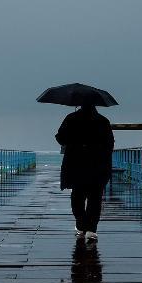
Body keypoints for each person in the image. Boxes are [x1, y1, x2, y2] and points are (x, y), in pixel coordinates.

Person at [55, 104, 114, 242]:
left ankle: (81, 224)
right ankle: (91, 229)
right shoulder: (103, 120)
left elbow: (60, 138)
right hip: (97, 165)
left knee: (77, 196)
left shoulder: (71, 118)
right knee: (95, 197)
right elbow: (110, 144)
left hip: (76, 164)